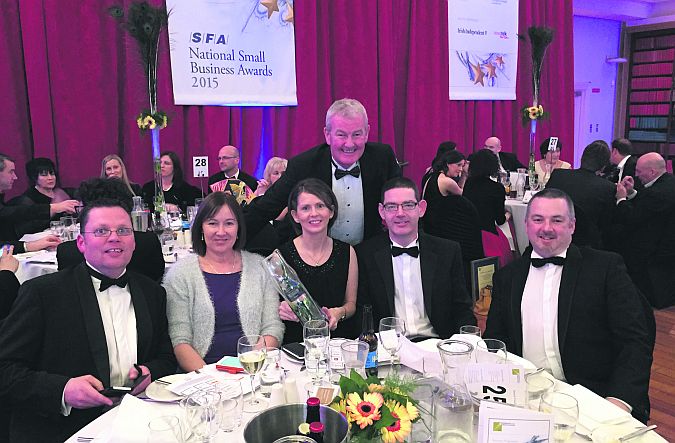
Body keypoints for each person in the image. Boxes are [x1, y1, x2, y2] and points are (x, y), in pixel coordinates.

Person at [0, 197, 177, 442]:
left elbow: (166, 357)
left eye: (123, 230)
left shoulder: (152, 292)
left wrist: (149, 371)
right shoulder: (42, 293)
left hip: (135, 419)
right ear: (81, 243)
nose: (114, 237)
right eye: (102, 230)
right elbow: (5, 369)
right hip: (65, 428)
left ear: (133, 242)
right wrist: (62, 390)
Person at [484, 188, 654, 423]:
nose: (546, 228)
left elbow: (634, 342)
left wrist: (619, 401)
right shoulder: (507, 277)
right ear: (526, 224)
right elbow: (495, 340)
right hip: (525, 395)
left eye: (557, 220)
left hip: (593, 398)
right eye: (538, 219)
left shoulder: (605, 268)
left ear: (572, 225)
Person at [245, 98, 401, 246]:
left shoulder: (383, 157)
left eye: (357, 134)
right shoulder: (303, 165)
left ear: (367, 132)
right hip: (316, 258)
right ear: (327, 135)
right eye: (341, 135)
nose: (349, 143)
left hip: (368, 255)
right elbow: (266, 208)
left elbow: (404, 204)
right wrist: (231, 240)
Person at [163, 192, 284, 372]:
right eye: (212, 223)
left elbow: (272, 327)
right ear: (201, 228)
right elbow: (180, 340)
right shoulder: (180, 274)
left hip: (253, 369)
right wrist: (211, 379)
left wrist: (251, 367)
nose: (221, 231)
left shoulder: (260, 267)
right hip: (201, 377)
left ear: (238, 228)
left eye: (229, 223)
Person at [357, 177, 476, 339]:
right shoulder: (365, 254)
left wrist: (463, 342)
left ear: (421, 208)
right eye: (391, 207)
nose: (400, 213)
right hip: (389, 347)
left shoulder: (447, 251)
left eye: (408, 205)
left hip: (437, 345)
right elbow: (363, 313)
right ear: (381, 211)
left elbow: (462, 308)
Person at [277, 179, 358, 344]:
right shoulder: (280, 256)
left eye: (320, 206)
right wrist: (281, 309)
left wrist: (339, 312)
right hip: (296, 347)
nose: (314, 213)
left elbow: (351, 304)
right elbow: (273, 308)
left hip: (338, 343)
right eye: (305, 208)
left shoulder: (347, 252)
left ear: (331, 211)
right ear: (295, 216)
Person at [58, 178, 165, 282]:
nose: (113, 238)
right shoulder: (149, 241)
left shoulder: (68, 252)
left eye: (80, 209)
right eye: (101, 231)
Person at [614, 152, 675, 308]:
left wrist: (621, 198)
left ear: (652, 172)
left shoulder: (657, 193)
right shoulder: (668, 182)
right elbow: (648, 207)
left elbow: (632, 218)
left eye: (639, 171)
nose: (636, 175)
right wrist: (632, 193)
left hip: (655, 249)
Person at [421, 150, 484, 284]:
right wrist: (465, 175)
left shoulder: (431, 175)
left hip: (427, 223)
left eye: (463, 166)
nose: (460, 169)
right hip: (439, 228)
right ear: (448, 164)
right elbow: (463, 194)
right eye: (458, 165)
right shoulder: (447, 182)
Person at [546, 140, 615, 248]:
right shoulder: (607, 188)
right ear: (603, 166)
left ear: (582, 158)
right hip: (587, 247)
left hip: (551, 237)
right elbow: (606, 225)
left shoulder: (558, 175)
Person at [0, 153, 77, 242]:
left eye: (52, 173)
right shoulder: (26, 199)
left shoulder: (63, 192)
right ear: (34, 178)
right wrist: (53, 208)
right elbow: (6, 213)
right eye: (11, 172)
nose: (15, 177)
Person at [463, 149, 508, 234]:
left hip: (467, 231)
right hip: (487, 234)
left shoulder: (468, 183)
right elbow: (500, 220)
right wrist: (508, 215)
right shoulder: (497, 188)